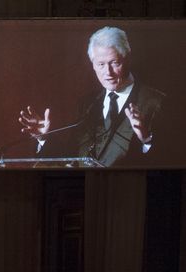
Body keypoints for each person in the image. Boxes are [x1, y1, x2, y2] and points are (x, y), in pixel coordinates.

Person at [19, 26, 167, 168]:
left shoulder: (156, 102)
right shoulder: (87, 104)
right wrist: (44, 138)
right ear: (93, 65)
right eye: (101, 64)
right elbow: (71, 156)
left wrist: (147, 140)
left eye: (114, 63)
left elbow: (169, 161)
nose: (108, 72)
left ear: (127, 59)